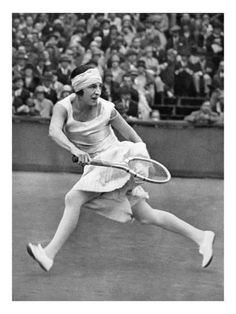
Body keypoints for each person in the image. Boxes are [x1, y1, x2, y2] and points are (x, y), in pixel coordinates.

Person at [27, 64, 215, 272]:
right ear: (78, 89)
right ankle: (201, 236)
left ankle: (48, 254)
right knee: (147, 216)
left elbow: (133, 137)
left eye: (99, 86)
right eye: (91, 87)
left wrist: (144, 162)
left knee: (73, 198)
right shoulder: (63, 108)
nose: (97, 91)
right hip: (97, 168)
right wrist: (74, 150)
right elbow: (54, 131)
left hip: (119, 160)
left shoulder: (107, 108)